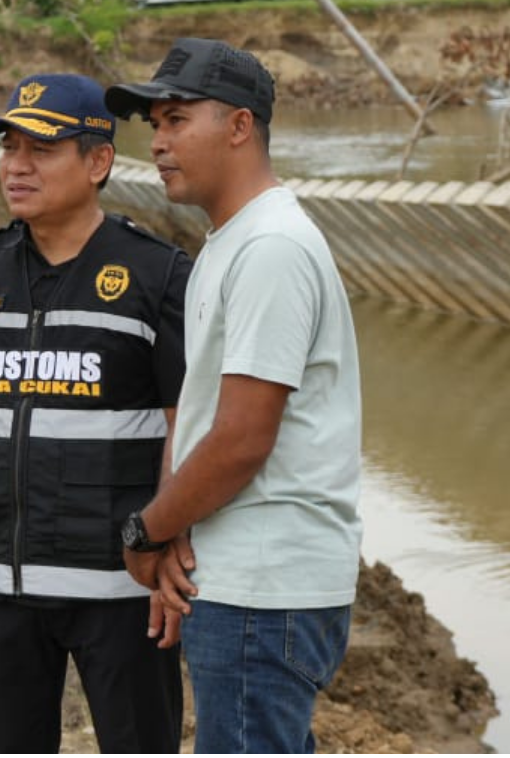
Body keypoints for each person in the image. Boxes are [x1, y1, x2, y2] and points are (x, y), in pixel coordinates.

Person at [0, 73, 191, 754]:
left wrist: (171, 544)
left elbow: (185, 423)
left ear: (97, 161)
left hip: (122, 588)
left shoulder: (157, 275)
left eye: (41, 149)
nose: (16, 166)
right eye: (9, 148)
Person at [104, 37, 363, 754]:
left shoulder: (270, 248)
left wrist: (146, 530)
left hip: (264, 586)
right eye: (153, 124)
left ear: (240, 126)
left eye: (177, 119)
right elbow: (203, 421)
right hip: (241, 576)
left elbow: (244, 437)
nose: (157, 143)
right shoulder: (231, 242)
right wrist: (178, 533)